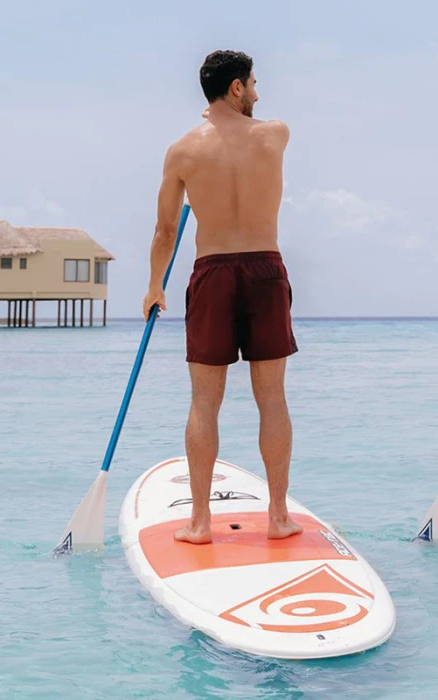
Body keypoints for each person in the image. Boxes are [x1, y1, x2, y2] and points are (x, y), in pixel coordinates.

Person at [142, 50, 302, 544]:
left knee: (204, 402)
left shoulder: (183, 150)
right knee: (271, 397)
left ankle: (199, 523)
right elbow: (252, 126)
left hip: (211, 272)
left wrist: (154, 285)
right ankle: (277, 517)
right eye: (252, 83)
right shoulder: (274, 134)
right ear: (236, 87)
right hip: (265, 269)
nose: (258, 92)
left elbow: (166, 229)